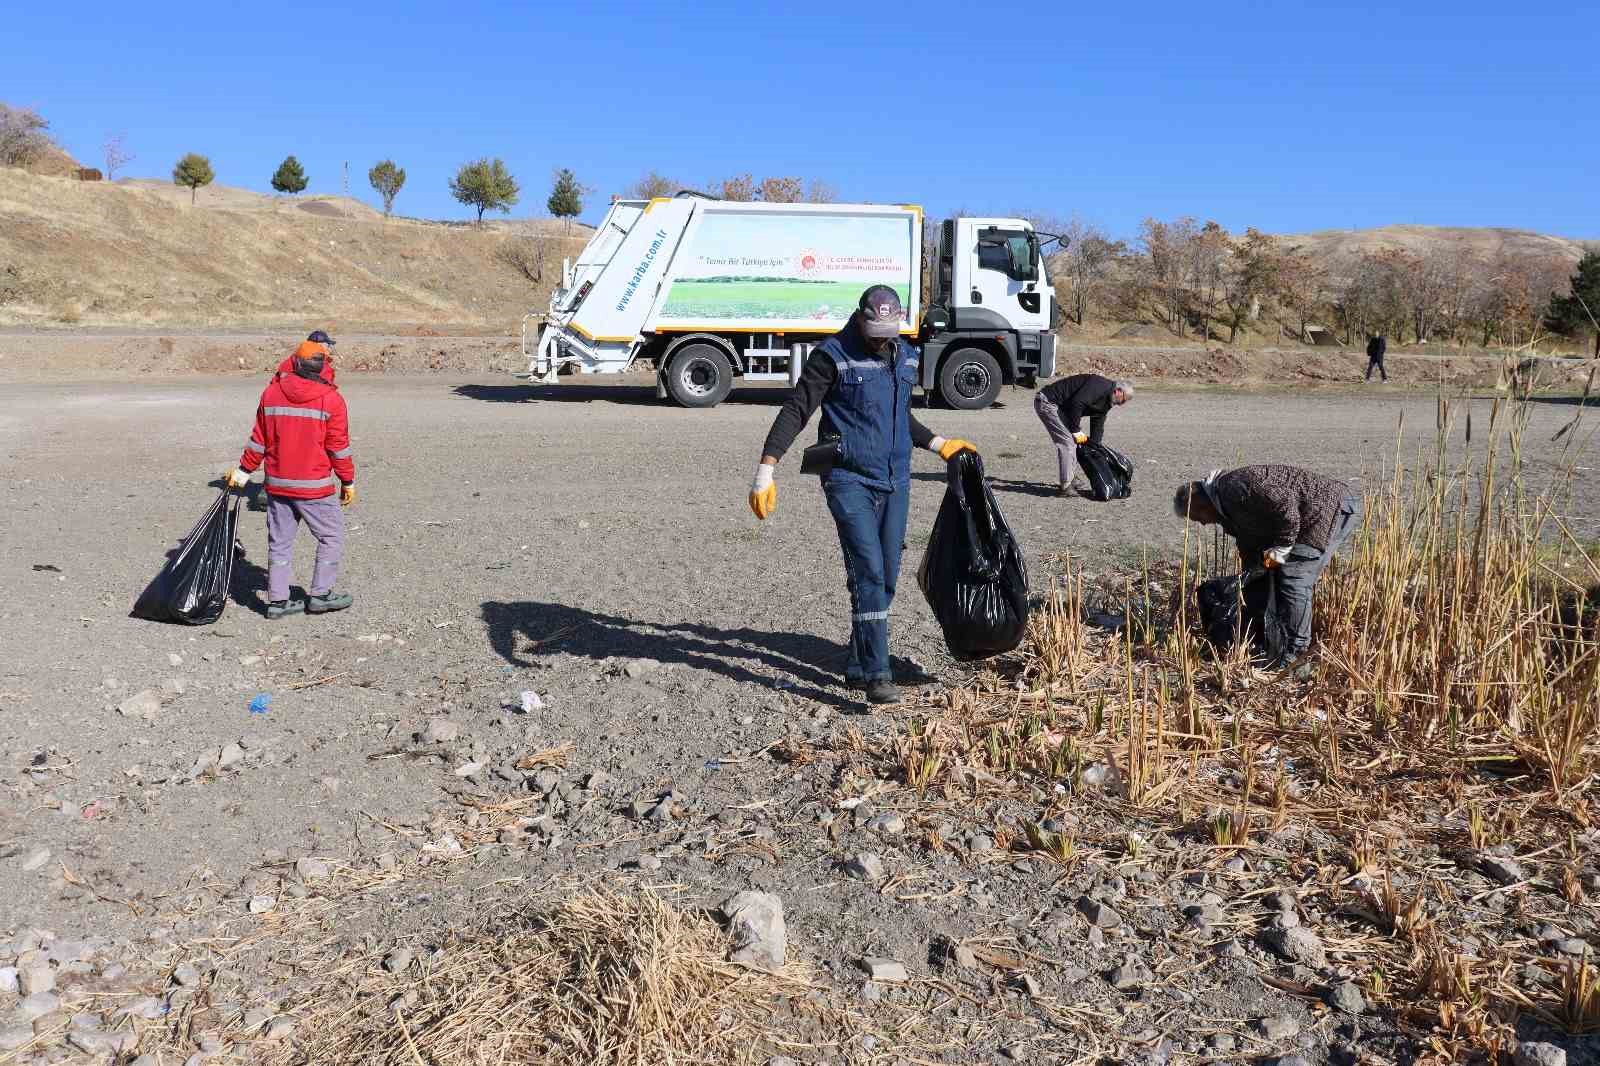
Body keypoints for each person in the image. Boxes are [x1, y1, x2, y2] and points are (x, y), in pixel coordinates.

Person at [749, 285, 975, 705]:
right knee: (868, 571)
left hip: (896, 479)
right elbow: (797, 409)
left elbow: (898, 413)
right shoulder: (832, 355)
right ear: (859, 318)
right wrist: (766, 469)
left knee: (886, 576)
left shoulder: (905, 355)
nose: (880, 340)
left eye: (888, 332)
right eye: (874, 332)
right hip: (846, 477)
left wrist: (940, 444)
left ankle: (857, 662)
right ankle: (877, 672)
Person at [1172, 465, 1361, 669]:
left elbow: (1287, 509)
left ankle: (1296, 657)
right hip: (1306, 517)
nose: (1202, 523)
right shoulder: (1225, 509)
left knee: (1293, 578)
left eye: (1197, 517)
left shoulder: (1234, 487)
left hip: (1328, 509)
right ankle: (1270, 643)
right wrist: (1253, 573)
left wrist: (1282, 547)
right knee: (1270, 578)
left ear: (1200, 503)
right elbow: (1248, 542)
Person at [227, 331, 357, 619]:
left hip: (278, 485)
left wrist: (244, 471)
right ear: (323, 367)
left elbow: (258, 441)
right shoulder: (332, 400)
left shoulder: (271, 394)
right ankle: (321, 595)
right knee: (331, 536)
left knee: (280, 543)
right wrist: (347, 480)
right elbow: (338, 448)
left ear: (294, 363)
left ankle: (277, 602)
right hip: (315, 487)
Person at [1033, 374, 1133, 496]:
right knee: (1067, 442)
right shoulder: (1100, 386)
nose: (1122, 404)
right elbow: (1077, 403)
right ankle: (1066, 486)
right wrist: (1075, 430)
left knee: (1074, 441)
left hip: (1061, 408)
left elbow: (1098, 422)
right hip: (1048, 402)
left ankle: (1069, 476)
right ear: (1118, 391)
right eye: (1123, 400)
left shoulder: (1107, 401)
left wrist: (1095, 446)